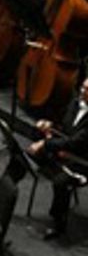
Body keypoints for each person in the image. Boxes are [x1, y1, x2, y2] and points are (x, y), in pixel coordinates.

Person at [29, 77, 88, 240]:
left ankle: (58, 223)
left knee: (60, 182)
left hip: (80, 161)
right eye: (82, 87)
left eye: (87, 90)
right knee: (30, 149)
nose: (82, 91)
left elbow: (75, 142)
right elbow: (63, 126)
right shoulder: (75, 103)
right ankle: (7, 191)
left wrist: (46, 143)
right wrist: (49, 125)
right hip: (64, 151)